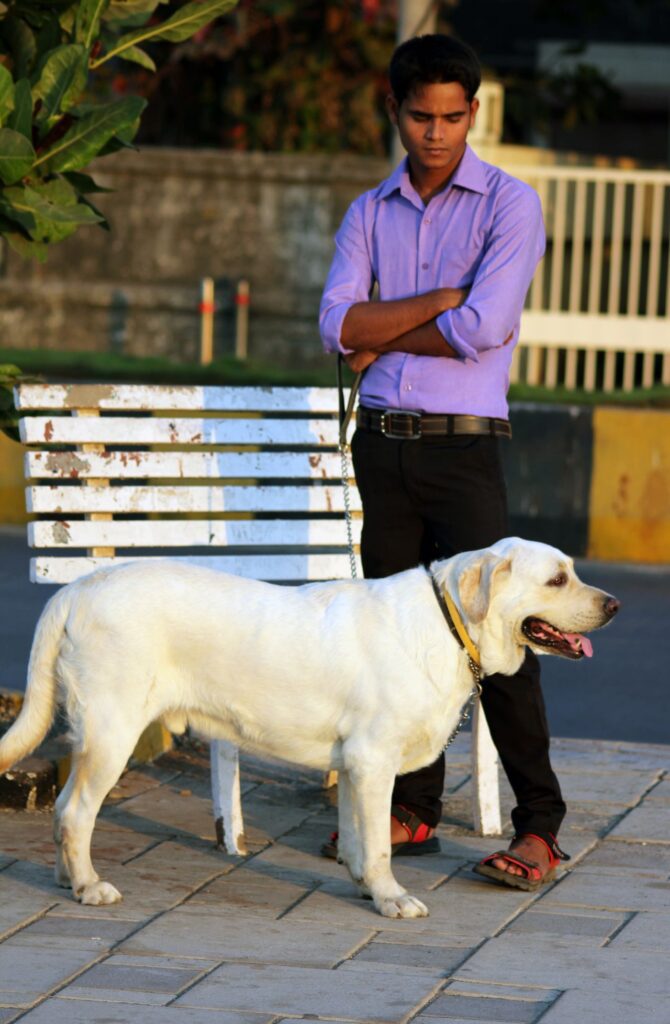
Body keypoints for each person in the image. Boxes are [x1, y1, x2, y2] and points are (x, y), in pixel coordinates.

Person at [318, 33, 568, 889]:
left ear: (473, 112)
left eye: (452, 117)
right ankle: (411, 809)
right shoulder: (367, 212)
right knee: (394, 635)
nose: (436, 133)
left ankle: (540, 824)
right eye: (420, 116)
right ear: (395, 112)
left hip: (464, 449)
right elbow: (338, 328)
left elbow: (485, 328)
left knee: (499, 636)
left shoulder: (509, 205)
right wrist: (435, 299)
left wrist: (386, 323)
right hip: (382, 447)